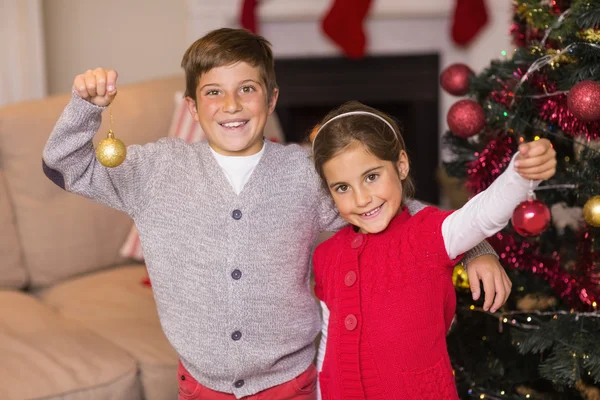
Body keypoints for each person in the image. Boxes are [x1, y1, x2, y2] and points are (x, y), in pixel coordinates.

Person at [43, 28, 509, 400]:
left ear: (270, 100)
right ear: (191, 106)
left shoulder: (305, 173)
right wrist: (86, 107)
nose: (231, 106)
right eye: (213, 93)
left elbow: (394, 208)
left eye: (247, 89)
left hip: (292, 383)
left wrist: (475, 246)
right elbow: (65, 165)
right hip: (200, 385)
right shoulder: (155, 169)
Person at [310, 101, 557, 400]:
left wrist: (521, 174)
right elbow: (328, 341)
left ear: (401, 165)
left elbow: (481, 214)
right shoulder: (326, 256)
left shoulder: (428, 234)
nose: (361, 198)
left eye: (371, 177)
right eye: (342, 188)